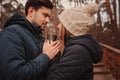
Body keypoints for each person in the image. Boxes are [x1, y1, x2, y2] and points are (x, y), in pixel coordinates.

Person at [0, 0, 61, 80]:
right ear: (31, 11)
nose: (48, 21)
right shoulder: (12, 33)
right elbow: (13, 76)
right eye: (45, 15)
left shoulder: (37, 37)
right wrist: (46, 56)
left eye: (49, 17)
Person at [43, 2, 103, 80]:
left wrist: (52, 55)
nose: (58, 26)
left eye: (61, 23)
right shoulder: (77, 48)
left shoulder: (77, 52)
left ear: (69, 28)